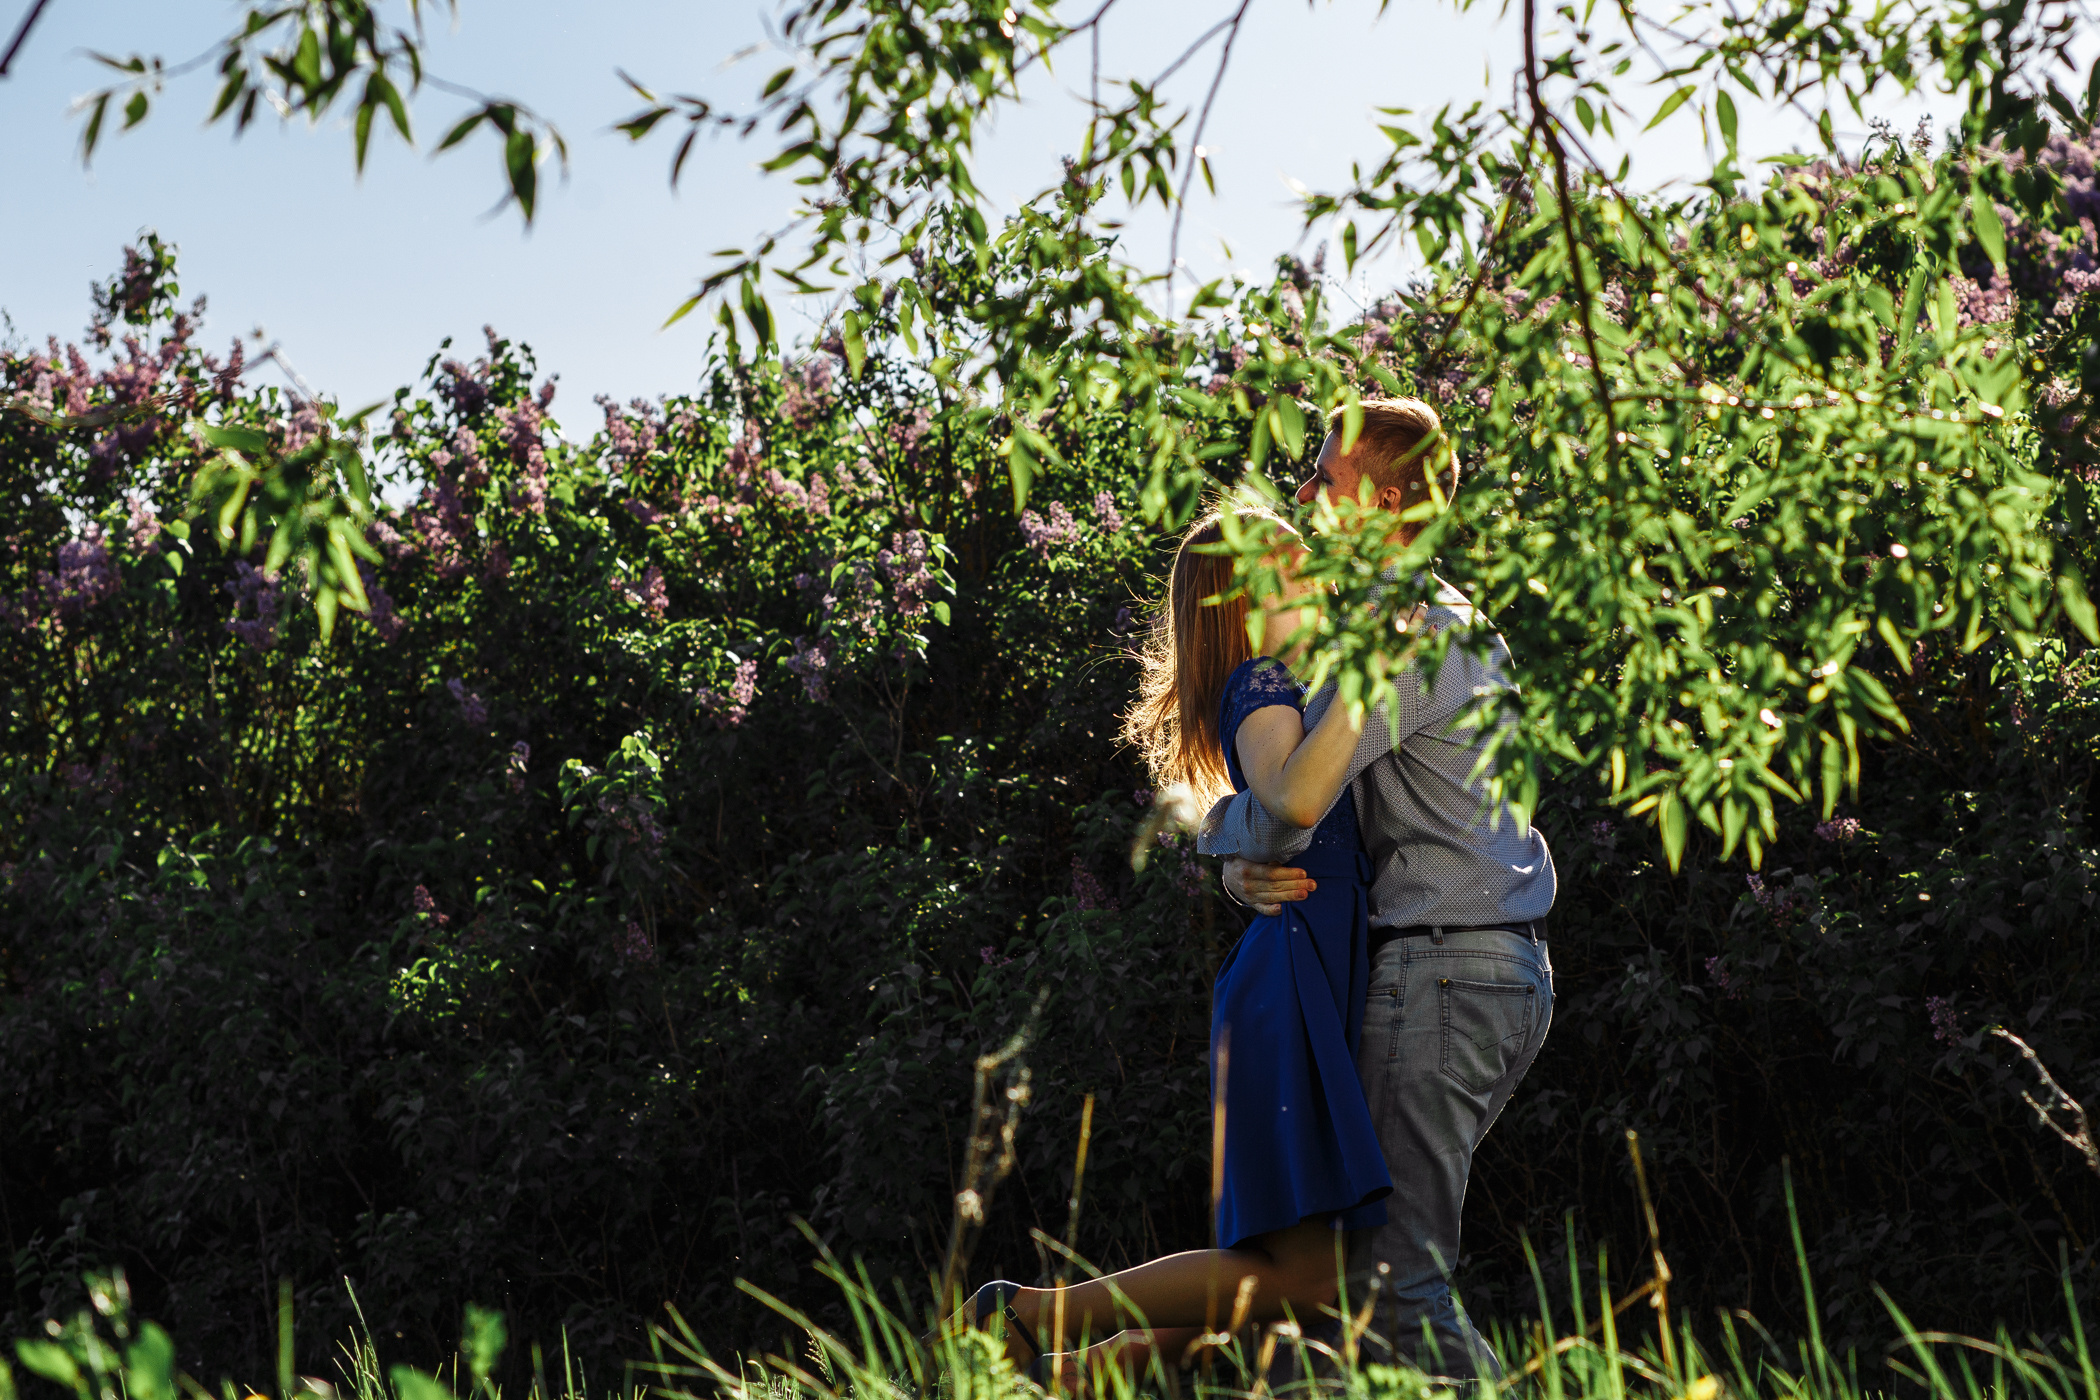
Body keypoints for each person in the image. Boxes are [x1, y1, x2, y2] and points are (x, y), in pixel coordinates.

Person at [949, 504, 1392, 1384]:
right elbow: (1293, 801)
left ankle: (1087, 1373)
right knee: (1307, 1278)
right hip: (1295, 979)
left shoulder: (1301, 682)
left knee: (1295, 1276)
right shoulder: (1261, 686)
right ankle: (1027, 1315)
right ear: (1246, 599)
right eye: (1293, 569)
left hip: (1311, 966)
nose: (1316, 578)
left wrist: (1230, 854)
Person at [1201, 397, 1556, 1381]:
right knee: (1367, 1280)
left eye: (1327, 476)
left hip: (1450, 974)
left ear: (1390, 498)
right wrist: (1244, 868)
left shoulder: (1405, 634)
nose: (1306, 491)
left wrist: (1214, 834)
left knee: (1393, 1283)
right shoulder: (1442, 619)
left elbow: (1301, 795)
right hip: (1490, 971)